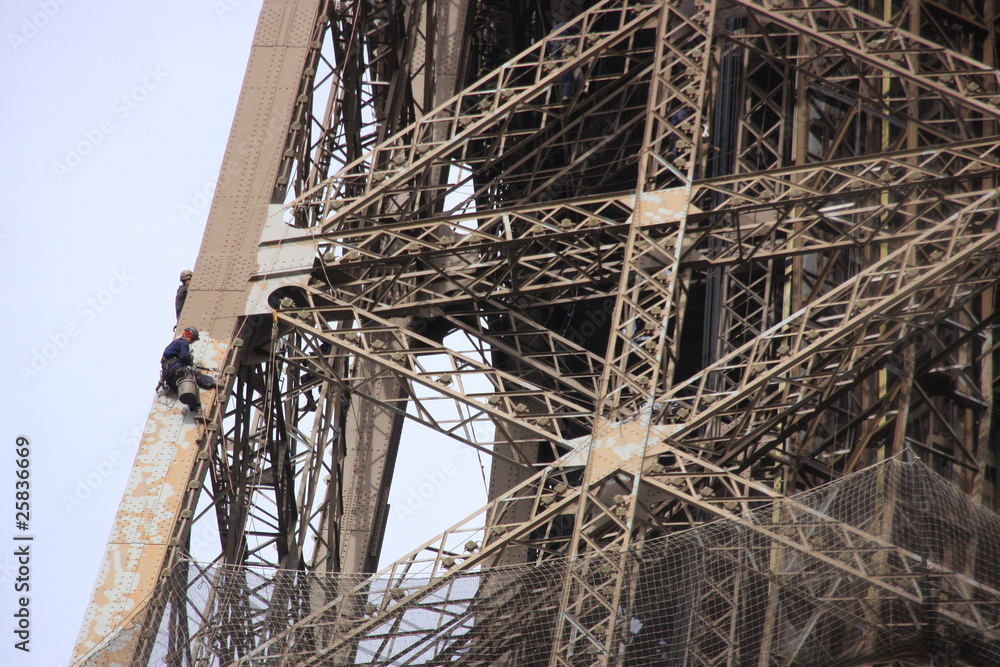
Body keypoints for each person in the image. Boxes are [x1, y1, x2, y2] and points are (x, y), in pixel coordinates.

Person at [160, 326, 216, 397]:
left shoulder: (175, 343)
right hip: (175, 367)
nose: (192, 342)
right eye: (192, 339)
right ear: (187, 336)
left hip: (167, 374)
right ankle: (211, 383)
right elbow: (184, 357)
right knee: (194, 375)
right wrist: (190, 363)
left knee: (180, 386)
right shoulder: (183, 342)